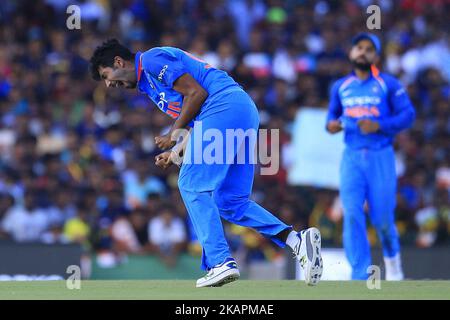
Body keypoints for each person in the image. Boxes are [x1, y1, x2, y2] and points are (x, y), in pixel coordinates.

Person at [89, 39, 323, 287]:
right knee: (230, 202)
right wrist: (176, 151)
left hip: (223, 107)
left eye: (106, 75)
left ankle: (220, 261)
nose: (109, 84)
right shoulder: (147, 84)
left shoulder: (150, 60)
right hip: (237, 112)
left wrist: (172, 134)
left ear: (118, 62)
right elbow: (196, 120)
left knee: (190, 184)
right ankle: (296, 240)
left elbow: (197, 93)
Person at [326, 33, 416, 280]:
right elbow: (330, 119)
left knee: (383, 218)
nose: (363, 52)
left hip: (380, 156)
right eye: (359, 48)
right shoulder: (341, 87)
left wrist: (380, 125)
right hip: (352, 157)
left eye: (369, 49)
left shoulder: (389, 84)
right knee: (352, 213)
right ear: (351, 53)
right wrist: (332, 126)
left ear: (376, 56)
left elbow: (408, 115)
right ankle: (359, 275)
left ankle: (394, 264)